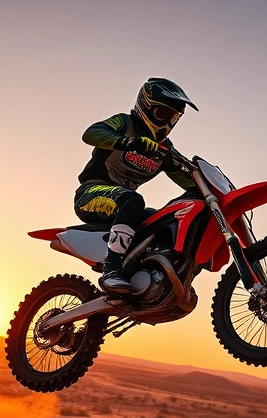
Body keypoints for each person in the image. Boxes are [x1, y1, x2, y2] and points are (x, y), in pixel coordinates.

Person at [74, 77, 198, 294]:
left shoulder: (164, 148)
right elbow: (91, 133)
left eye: (173, 117)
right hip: (91, 193)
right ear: (145, 107)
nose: (167, 123)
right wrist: (129, 142)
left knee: (166, 221)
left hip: (126, 207)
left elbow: (186, 179)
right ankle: (111, 270)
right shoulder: (125, 123)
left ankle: (154, 277)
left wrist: (203, 183)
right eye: (162, 114)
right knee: (133, 200)